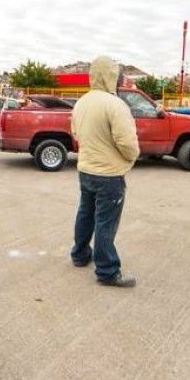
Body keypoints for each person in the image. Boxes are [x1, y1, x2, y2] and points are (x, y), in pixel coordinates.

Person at [70, 56, 140, 288]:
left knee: (85, 213)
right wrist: (131, 157)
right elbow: (127, 142)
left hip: (86, 170)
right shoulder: (115, 104)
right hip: (109, 175)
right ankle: (107, 271)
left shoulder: (82, 102)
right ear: (111, 76)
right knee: (105, 223)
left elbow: (76, 133)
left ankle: (80, 255)